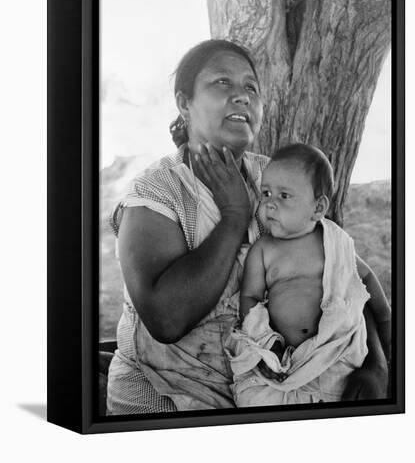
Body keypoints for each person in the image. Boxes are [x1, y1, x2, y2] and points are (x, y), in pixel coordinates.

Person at [106, 40, 388, 415]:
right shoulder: (155, 193)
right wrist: (235, 214)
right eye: (222, 83)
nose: (241, 96)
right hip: (167, 396)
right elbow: (166, 319)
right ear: (184, 103)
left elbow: (340, 272)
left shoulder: (275, 179)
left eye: (251, 87)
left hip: (276, 388)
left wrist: (375, 364)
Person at [225, 143, 391, 406]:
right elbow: (250, 297)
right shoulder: (264, 249)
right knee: (258, 399)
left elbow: (366, 280)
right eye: (266, 193)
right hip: (282, 359)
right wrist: (266, 343)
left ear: (317, 208)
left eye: (284, 196)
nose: (269, 204)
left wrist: (385, 323)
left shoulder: (334, 241)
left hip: (335, 353)